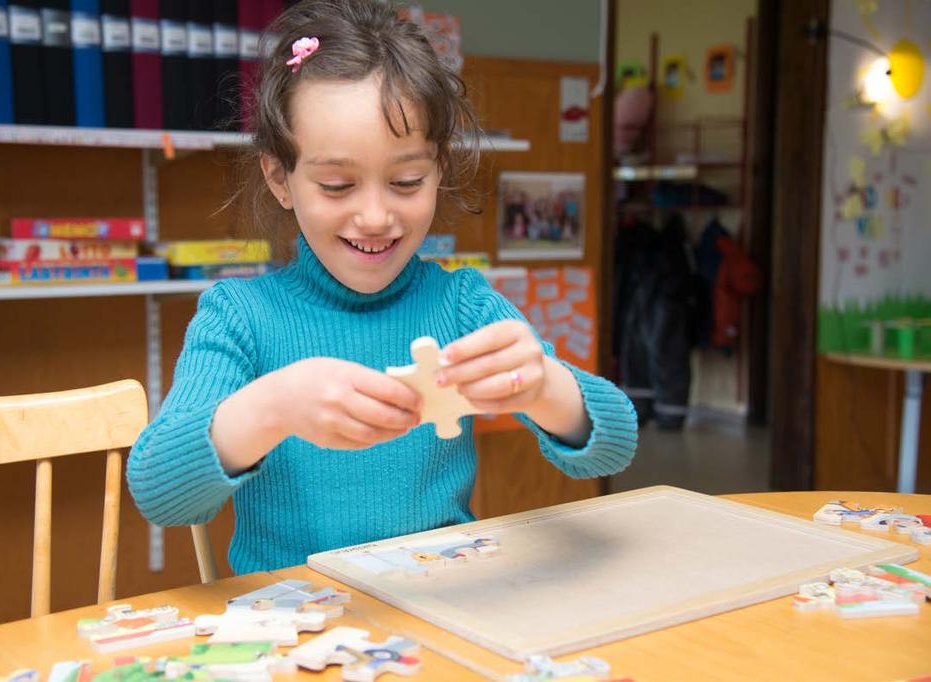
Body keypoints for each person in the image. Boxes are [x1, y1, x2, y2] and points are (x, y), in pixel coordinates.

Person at [127, 0, 638, 575]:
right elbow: (159, 494)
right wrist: (275, 406)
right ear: (280, 179)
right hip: (295, 627)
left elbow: (615, 443)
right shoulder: (238, 316)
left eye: (406, 181)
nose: (375, 216)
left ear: (439, 169)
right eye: (338, 185)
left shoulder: (462, 304)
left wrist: (543, 386)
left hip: (442, 608)